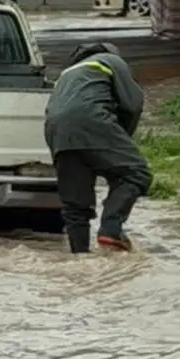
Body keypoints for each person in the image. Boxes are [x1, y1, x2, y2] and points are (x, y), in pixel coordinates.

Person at [44, 42, 150, 253]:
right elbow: (133, 104)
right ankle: (111, 229)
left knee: (75, 206)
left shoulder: (65, 75)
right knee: (137, 173)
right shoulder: (111, 61)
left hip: (56, 133)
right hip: (92, 121)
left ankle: (79, 257)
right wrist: (122, 139)